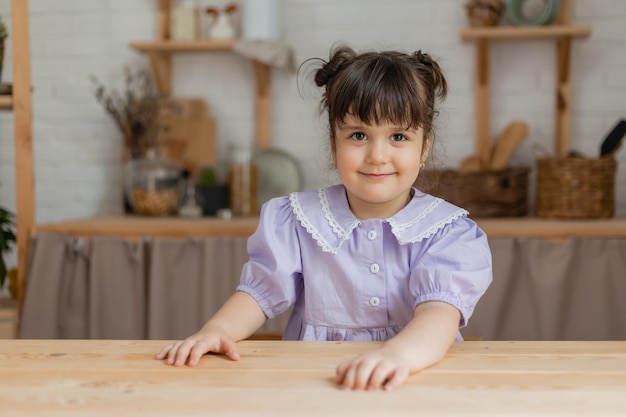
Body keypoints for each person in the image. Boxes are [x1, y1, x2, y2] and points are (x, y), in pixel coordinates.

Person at [156, 45, 492, 391]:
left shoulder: (448, 232)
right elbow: (258, 293)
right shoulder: (297, 220)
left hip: (414, 381)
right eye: (358, 135)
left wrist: (398, 357)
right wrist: (218, 331)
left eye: (398, 137)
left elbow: (439, 315)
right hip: (315, 381)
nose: (377, 155)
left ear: (423, 148)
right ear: (334, 143)